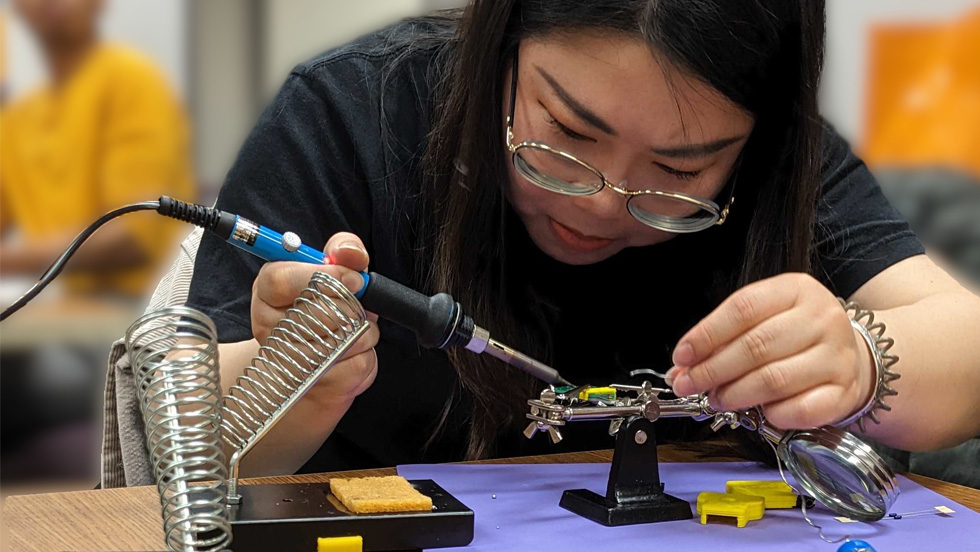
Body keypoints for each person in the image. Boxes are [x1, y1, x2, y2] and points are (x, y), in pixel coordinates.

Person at [175, 1, 980, 478]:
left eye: (679, 169)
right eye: (565, 133)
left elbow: (965, 347)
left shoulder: (784, 164)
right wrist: (297, 378)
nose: (603, 203)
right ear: (503, 42)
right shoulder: (352, 115)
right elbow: (182, 447)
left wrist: (864, 358)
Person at [0, 0, 195, 297]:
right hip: (59, 309)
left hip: (143, 313)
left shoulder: (133, 80)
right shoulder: (17, 120)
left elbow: (134, 235)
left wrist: (9, 262)